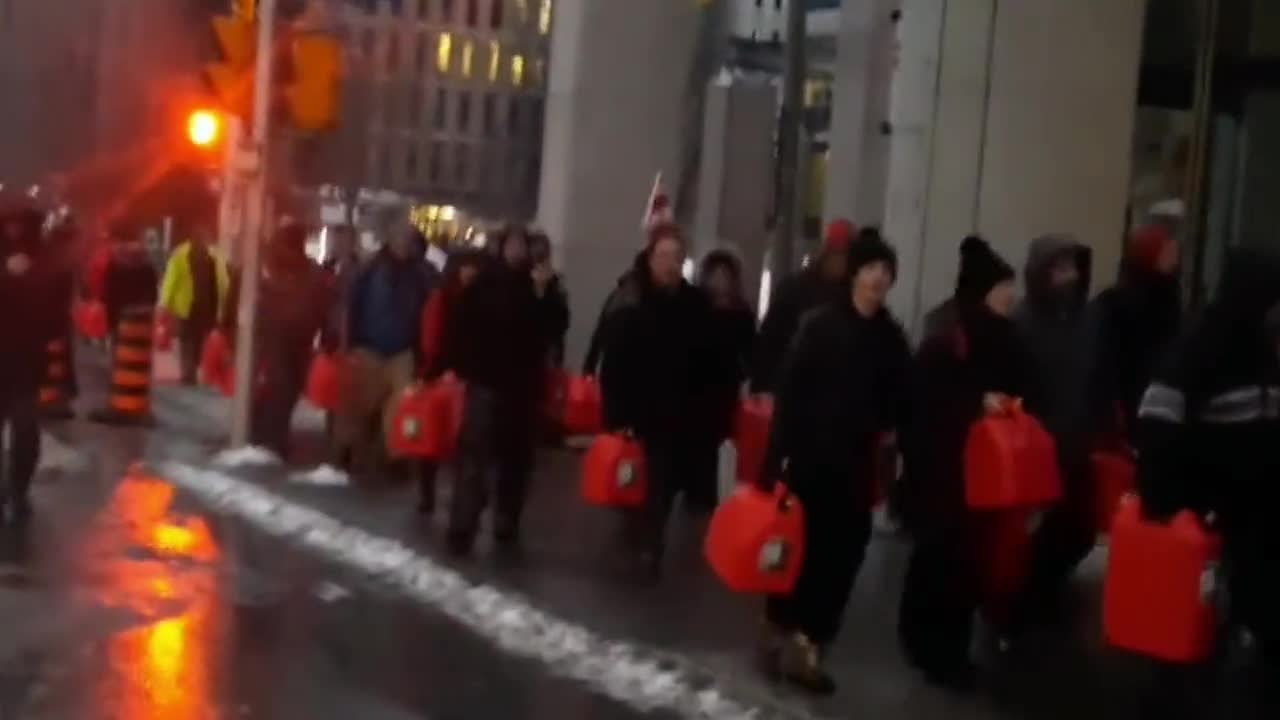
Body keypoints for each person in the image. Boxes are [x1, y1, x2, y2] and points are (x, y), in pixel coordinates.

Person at [757, 231, 911, 694]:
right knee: (801, 552)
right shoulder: (820, 326)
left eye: (885, 271)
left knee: (844, 555)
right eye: (870, 269)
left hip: (855, 466)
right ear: (854, 275)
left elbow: (900, 401)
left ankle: (809, 641)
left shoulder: (890, 337)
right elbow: (791, 394)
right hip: (809, 460)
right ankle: (783, 632)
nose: (878, 278)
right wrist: (774, 460)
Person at [1136, 247, 1280, 669]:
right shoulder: (1198, 351)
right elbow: (1158, 423)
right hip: (1211, 505)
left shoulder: (1264, 354)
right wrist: (1167, 501)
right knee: (1202, 615)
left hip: (1258, 505)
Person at [898, 236, 1029, 692]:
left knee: (960, 561)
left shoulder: (1000, 335)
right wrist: (977, 403)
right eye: (1002, 288)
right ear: (981, 290)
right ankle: (936, 651)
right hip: (945, 470)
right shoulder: (949, 337)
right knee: (943, 560)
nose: (1010, 296)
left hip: (980, 473)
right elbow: (925, 401)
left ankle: (935, 643)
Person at [598, 225, 713, 575]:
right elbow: (613, 361)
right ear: (650, 259)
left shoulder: (694, 305)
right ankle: (635, 536)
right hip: (635, 411)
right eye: (663, 256)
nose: (670, 264)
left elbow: (706, 361)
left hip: (674, 414)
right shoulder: (632, 300)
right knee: (632, 481)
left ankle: (650, 546)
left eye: (677, 257)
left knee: (661, 485)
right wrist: (614, 417)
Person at [1009, 233, 1104, 630]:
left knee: (1077, 529)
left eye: (1071, 267)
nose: (1067, 276)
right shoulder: (1022, 322)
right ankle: (1021, 605)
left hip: (1075, 443)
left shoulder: (1084, 321)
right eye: (1059, 267)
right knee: (1034, 534)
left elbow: (1096, 376)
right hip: (1038, 443)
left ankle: (1045, 593)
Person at [439, 227, 545, 554]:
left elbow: (551, 331)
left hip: (522, 389)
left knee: (516, 460)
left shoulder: (538, 286)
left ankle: (506, 519)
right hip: (486, 383)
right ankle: (463, 526)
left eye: (521, 246)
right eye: (511, 244)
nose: (516, 251)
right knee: (474, 459)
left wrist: (544, 295)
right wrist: (462, 367)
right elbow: (459, 326)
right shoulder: (484, 284)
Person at [337, 223, 438, 477]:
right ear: (390, 239)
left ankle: (396, 457)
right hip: (369, 347)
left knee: (399, 408)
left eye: (408, 239)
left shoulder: (420, 274)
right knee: (359, 405)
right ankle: (348, 449)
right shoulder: (370, 269)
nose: (405, 244)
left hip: (402, 351)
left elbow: (430, 310)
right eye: (401, 238)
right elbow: (352, 304)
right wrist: (348, 343)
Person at [248, 223, 331, 458]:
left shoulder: (305, 272)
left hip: (296, 338)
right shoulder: (271, 268)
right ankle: (270, 438)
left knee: (287, 388)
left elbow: (321, 304)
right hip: (277, 338)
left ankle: (270, 435)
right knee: (281, 386)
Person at [1093, 224, 1182, 440]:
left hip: (1159, 399)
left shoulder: (1170, 297)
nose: (1174, 259)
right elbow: (1103, 356)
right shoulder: (1116, 303)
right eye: (1168, 253)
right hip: (1126, 400)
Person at [0, 199, 59, 521]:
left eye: (20, 224)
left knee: (25, 429)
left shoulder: (43, 258)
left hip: (26, 360)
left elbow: (54, 303)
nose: (14, 231)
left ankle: (18, 490)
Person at [416, 248, 484, 515]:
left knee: (462, 439)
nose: (470, 272)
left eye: (474, 267)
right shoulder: (442, 298)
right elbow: (430, 336)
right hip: (440, 374)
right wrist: (433, 370)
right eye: (465, 266)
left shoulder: (480, 299)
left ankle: (459, 496)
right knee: (434, 432)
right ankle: (427, 491)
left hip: (469, 377)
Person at [751, 218, 855, 394]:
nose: (841, 262)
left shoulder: (852, 294)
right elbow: (771, 341)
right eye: (838, 254)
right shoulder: (794, 289)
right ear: (827, 253)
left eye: (846, 255)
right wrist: (762, 387)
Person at [693, 249, 756, 511]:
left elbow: (751, 350)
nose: (719, 281)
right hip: (698, 385)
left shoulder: (741, 312)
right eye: (715, 275)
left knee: (721, 441)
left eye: (724, 276)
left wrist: (749, 377)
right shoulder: (696, 307)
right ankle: (698, 491)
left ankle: (712, 494)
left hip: (726, 386)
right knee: (700, 440)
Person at [160, 228, 230, 385]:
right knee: (196, 339)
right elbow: (223, 282)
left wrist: (165, 304)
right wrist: (224, 302)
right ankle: (193, 369)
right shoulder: (214, 255)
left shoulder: (180, 254)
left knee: (188, 340)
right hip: (204, 306)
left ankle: (189, 372)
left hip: (189, 306)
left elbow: (170, 280)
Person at [582, 252, 645, 376]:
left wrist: (590, 365)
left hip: (613, 366)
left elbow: (600, 332)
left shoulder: (618, 294)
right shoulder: (637, 297)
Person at [528, 231, 570, 369]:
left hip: (548, 351)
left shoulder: (555, 282)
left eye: (543, 255)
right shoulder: (521, 280)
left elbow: (562, 320)